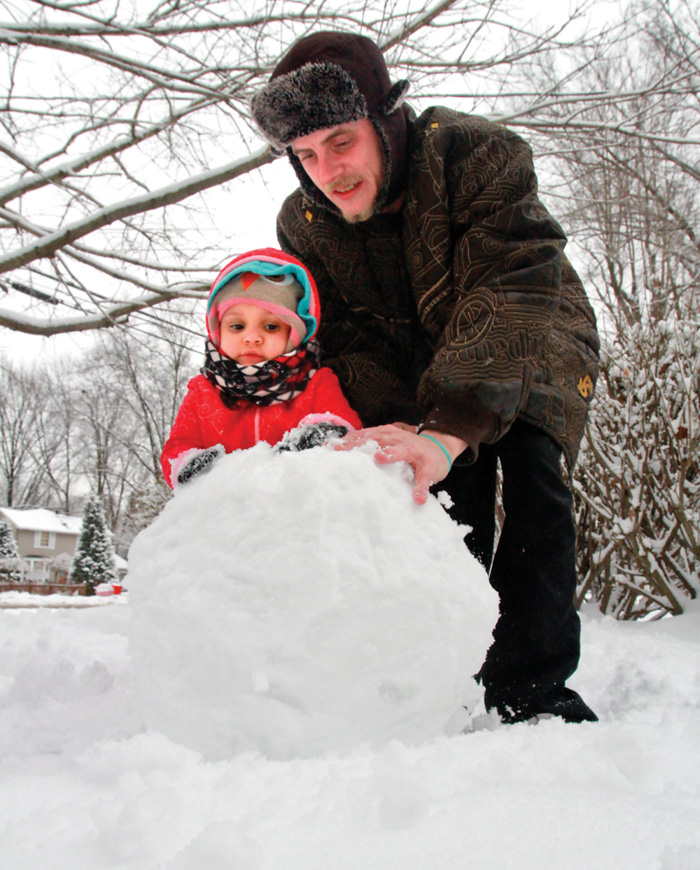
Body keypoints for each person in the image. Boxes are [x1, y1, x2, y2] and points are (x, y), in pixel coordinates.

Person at [251, 32, 601, 724]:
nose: (329, 170)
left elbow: (507, 284)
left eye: (341, 142)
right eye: (307, 154)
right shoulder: (304, 224)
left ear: (386, 118)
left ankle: (530, 691)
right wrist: (408, 431)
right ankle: (446, 669)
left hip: (531, 329)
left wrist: (451, 425)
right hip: (417, 365)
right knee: (435, 493)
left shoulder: (476, 156)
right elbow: (343, 336)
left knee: (531, 474)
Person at [161, 247, 362, 488]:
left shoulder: (315, 383)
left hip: (298, 501)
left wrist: (322, 436)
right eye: (237, 326)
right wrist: (189, 464)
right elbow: (177, 446)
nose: (252, 337)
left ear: (294, 334)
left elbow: (341, 421)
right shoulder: (202, 393)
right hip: (225, 511)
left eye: (270, 327)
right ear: (218, 331)